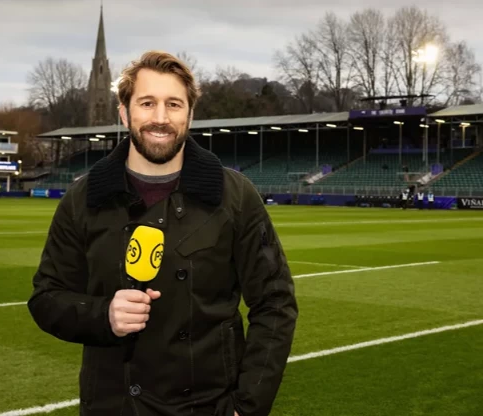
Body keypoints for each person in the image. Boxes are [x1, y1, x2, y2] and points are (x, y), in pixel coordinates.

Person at [28, 50, 298, 416]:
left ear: (190, 114)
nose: (160, 118)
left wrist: (246, 407)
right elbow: (46, 298)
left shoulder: (234, 196)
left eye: (173, 104)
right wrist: (103, 315)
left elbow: (276, 302)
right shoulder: (84, 198)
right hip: (113, 407)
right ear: (124, 113)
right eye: (147, 103)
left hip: (206, 407)